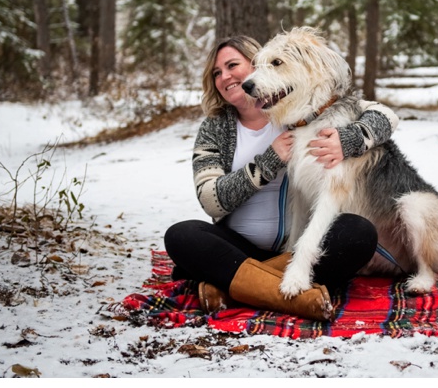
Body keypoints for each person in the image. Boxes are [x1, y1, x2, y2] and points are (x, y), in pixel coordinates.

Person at [164, 35, 399, 321]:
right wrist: (268, 162)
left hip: (299, 248)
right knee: (182, 236)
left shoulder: (300, 109)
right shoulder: (214, 129)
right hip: (238, 248)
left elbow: (385, 115)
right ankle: (292, 297)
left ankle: (234, 289)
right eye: (216, 73)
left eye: (232, 65)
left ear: (258, 64)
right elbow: (212, 201)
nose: (225, 77)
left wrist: (348, 139)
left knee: (358, 233)